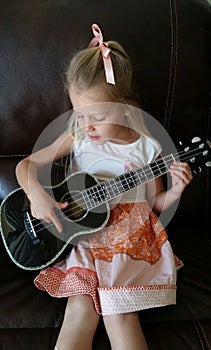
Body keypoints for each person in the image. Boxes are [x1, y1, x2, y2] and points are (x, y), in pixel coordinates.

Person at [15, 24, 193, 350]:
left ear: (125, 108)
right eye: (79, 115)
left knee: (120, 316)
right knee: (80, 309)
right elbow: (25, 166)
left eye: (96, 116)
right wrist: (36, 195)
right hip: (85, 234)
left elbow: (155, 203)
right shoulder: (79, 138)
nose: (87, 126)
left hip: (129, 236)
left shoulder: (147, 148)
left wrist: (177, 191)